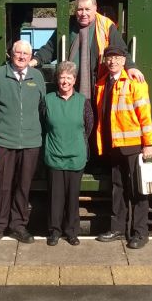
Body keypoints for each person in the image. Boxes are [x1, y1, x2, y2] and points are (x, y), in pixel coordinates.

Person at [0, 40, 46, 246]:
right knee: (2, 186)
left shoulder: (37, 77)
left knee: (23, 186)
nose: (22, 56)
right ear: (11, 54)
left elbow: (43, 108)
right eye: (18, 52)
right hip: (4, 141)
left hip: (30, 142)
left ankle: (18, 225)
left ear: (30, 56)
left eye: (26, 53)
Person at [94, 44, 152, 249]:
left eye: (117, 58)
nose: (112, 61)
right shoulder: (102, 83)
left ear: (124, 60)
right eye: (109, 58)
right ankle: (118, 228)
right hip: (114, 146)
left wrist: (148, 144)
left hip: (133, 146)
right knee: (117, 189)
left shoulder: (134, 83)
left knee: (138, 190)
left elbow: (145, 116)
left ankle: (140, 232)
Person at [30, 0, 144, 99]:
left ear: (95, 9)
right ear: (75, 11)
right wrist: (35, 60)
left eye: (87, 9)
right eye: (80, 9)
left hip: (99, 84)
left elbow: (121, 50)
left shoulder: (106, 25)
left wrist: (131, 67)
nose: (83, 13)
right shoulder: (68, 25)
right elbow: (51, 48)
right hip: (71, 86)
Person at [44, 61, 94, 246]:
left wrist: (74, 141)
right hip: (54, 155)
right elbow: (43, 124)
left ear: (75, 80)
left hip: (76, 157)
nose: (65, 81)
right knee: (55, 197)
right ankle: (54, 231)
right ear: (57, 79)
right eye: (62, 77)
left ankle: (72, 231)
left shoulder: (83, 102)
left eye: (69, 78)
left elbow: (88, 127)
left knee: (73, 197)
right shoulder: (48, 100)